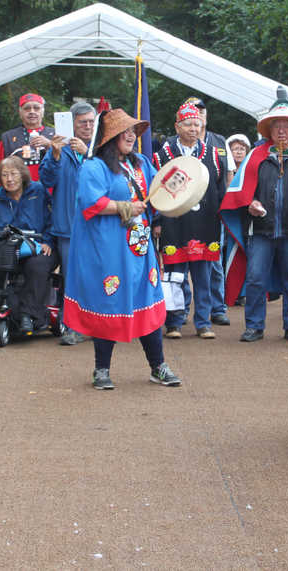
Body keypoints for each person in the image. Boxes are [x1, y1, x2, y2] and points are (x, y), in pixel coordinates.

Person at [63, 108, 180, 390]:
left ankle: (158, 367)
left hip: (139, 248)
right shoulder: (94, 167)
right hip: (108, 249)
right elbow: (91, 203)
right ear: (110, 137)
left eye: (133, 132)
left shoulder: (140, 163)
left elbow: (159, 189)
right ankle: (101, 370)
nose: (131, 136)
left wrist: (182, 183)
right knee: (110, 304)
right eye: (124, 132)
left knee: (147, 301)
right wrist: (125, 207)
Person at [220, 88, 288, 342]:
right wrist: (250, 204)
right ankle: (254, 326)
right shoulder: (255, 155)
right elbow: (241, 191)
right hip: (261, 230)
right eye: (277, 125)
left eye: (287, 125)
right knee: (255, 278)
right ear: (269, 129)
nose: (282, 131)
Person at [153, 102, 226, 340]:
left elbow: (220, 189)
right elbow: (156, 192)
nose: (193, 128)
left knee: (203, 276)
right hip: (173, 223)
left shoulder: (213, 154)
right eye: (187, 124)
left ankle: (203, 322)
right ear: (177, 126)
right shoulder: (162, 155)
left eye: (197, 124)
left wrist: (223, 217)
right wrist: (157, 221)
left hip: (205, 223)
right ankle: (174, 322)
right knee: (174, 275)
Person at [0, 157, 56, 335]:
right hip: (9, 248)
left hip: (37, 246)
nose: (9, 179)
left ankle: (28, 314)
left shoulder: (38, 191)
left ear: (23, 174)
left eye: (13, 174)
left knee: (36, 266)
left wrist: (48, 241)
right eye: (5, 175)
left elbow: (53, 219)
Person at [41, 101, 95, 346]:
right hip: (67, 227)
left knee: (95, 277)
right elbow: (46, 179)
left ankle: (97, 322)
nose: (88, 126)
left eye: (91, 122)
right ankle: (72, 326)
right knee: (71, 278)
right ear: (71, 125)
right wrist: (54, 154)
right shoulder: (59, 147)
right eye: (83, 122)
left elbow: (108, 177)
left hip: (96, 226)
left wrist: (87, 154)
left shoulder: (100, 148)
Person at [184, 96, 230, 327]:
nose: (197, 116)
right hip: (181, 217)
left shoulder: (219, 142)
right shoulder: (171, 145)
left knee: (213, 264)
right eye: (192, 113)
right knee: (180, 262)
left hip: (211, 214)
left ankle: (217, 309)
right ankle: (180, 312)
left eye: (200, 111)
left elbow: (226, 177)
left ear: (205, 116)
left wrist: (224, 209)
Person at [0, 92, 56, 181]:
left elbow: (66, 163)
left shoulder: (56, 134)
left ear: (43, 112)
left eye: (36, 108)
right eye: (27, 108)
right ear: (20, 113)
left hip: (50, 189)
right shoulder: (8, 138)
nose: (32, 111)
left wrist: (49, 145)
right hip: (18, 190)